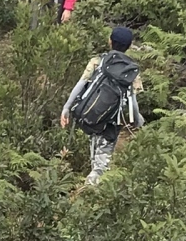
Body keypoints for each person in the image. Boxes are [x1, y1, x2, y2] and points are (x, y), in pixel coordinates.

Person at [61, 26, 144, 184]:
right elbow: (133, 103)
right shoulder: (131, 71)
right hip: (112, 123)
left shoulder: (98, 61)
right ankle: (92, 189)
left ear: (110, 42)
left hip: (91, 116)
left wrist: (66, 107)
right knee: (101, 164)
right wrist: (138, 121)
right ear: (129, 45)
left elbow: (81, 84)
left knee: (96, 156)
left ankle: (91, 188)